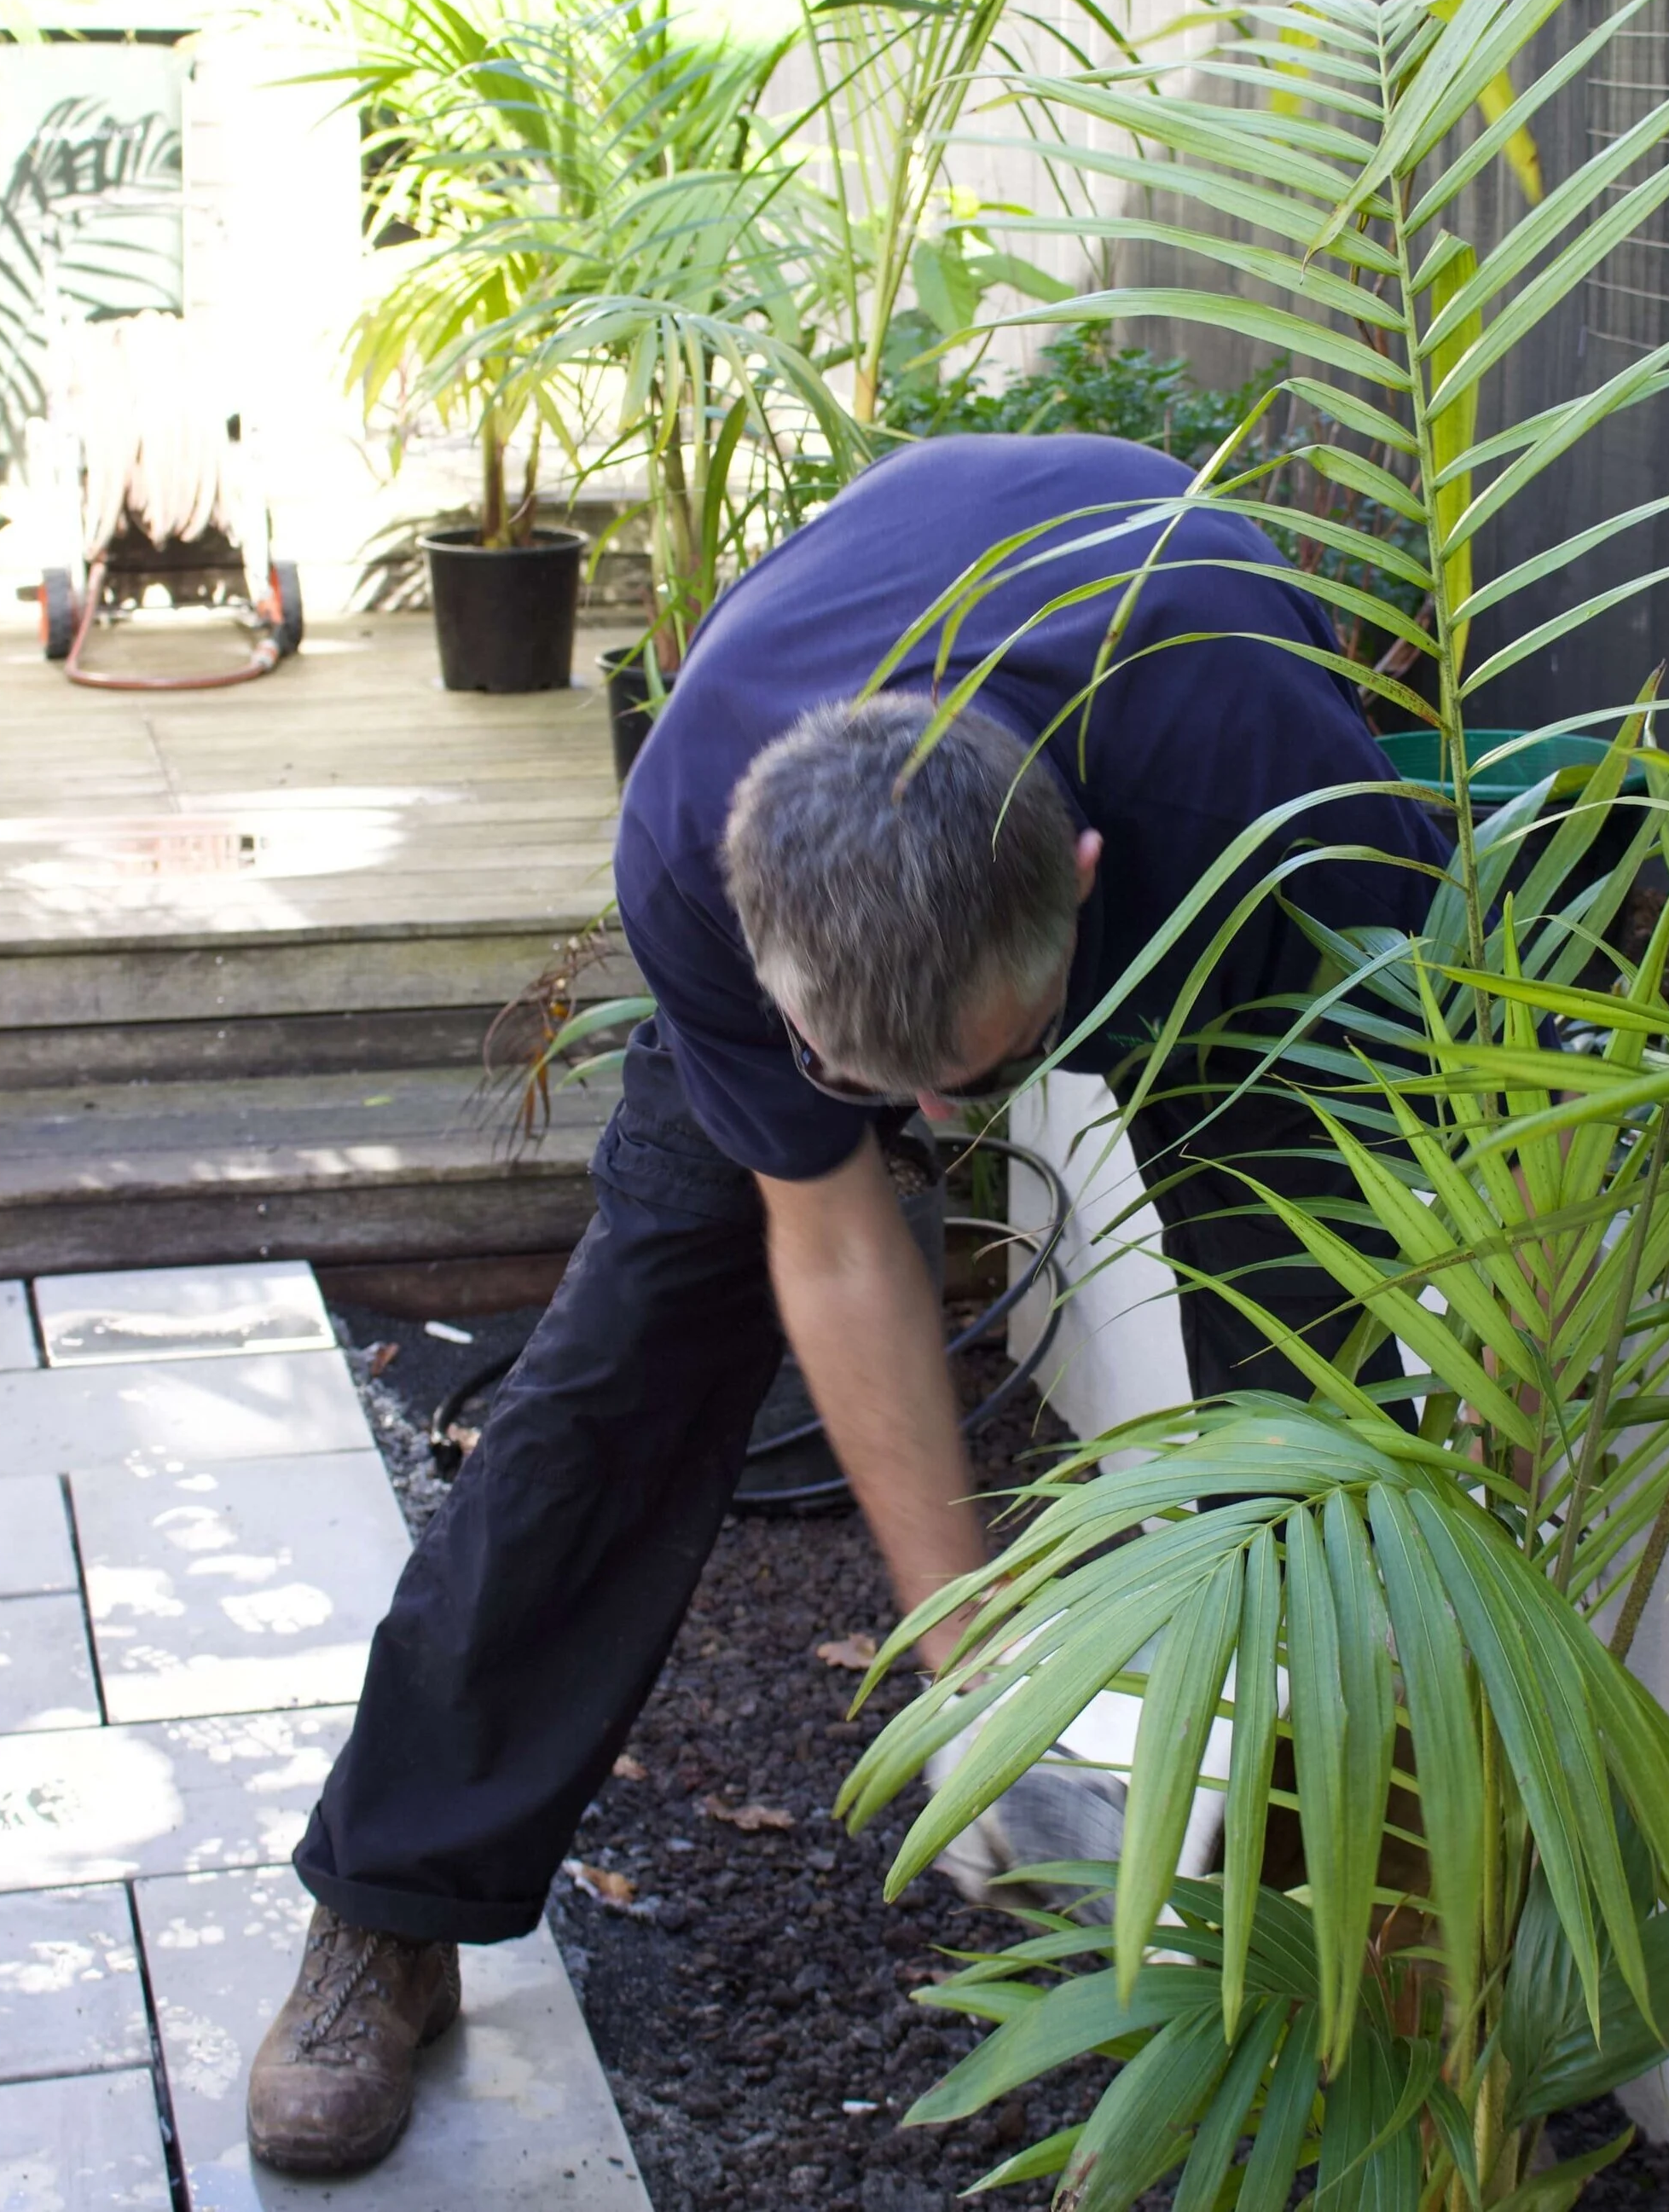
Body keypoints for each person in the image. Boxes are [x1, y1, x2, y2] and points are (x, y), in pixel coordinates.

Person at [245, 431, 1445, 2174]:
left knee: (1305, 1420)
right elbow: (827, 1230)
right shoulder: (694, 829)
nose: (928, 1136)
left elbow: (1386, 1229)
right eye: (876, 1085)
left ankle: (1300, 1933)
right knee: (617, 1372)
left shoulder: (1272, 810)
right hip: (868, 787)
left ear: (1087, 888)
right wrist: (971, 1683)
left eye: (964, 1088)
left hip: (1207, 840)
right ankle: (387, 1900)